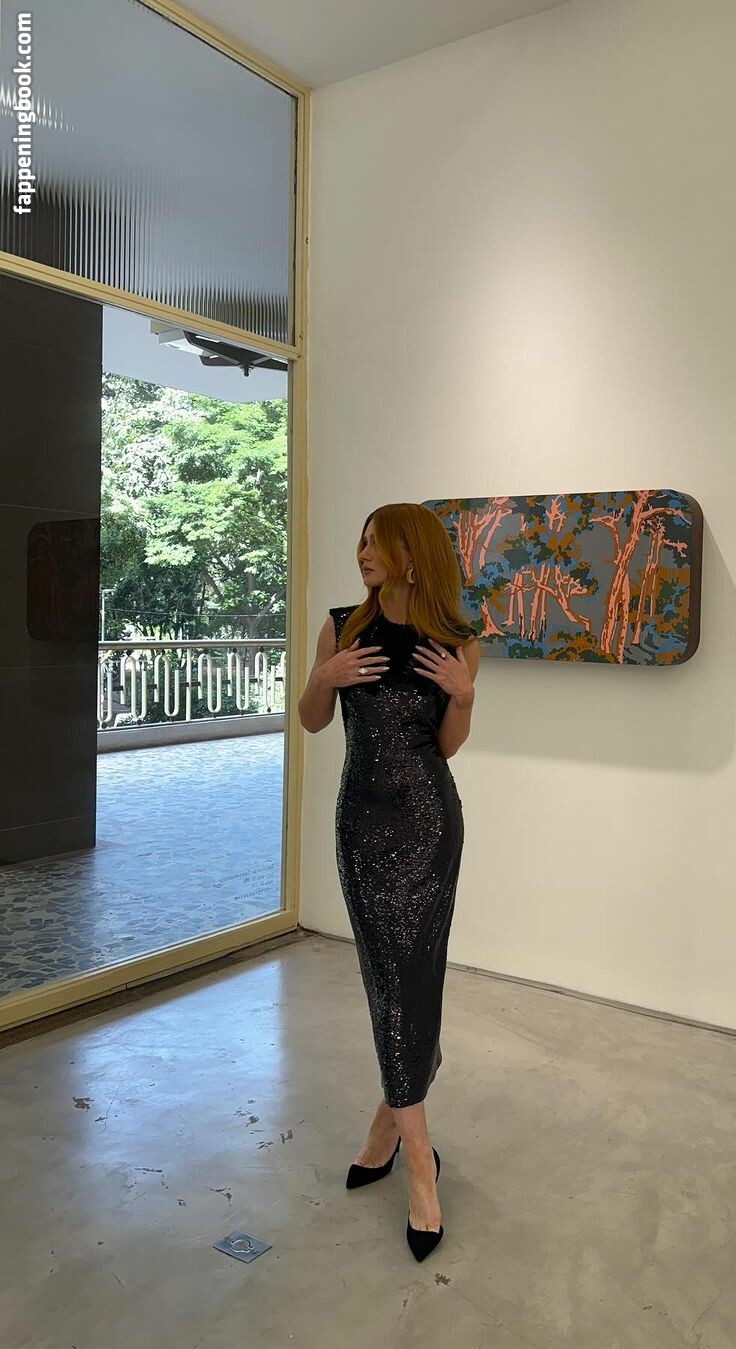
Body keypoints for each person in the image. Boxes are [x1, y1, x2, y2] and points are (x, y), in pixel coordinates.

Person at [297, 502, 480, 1261]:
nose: (363, 551)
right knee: (389, 977)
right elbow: (311, 720)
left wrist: (463, 696)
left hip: (429, 825)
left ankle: (406, 1150)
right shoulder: (342, 628)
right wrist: (323, 677)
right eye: (361, 539)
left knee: (416, 976)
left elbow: (448, 745)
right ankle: (409, 1143)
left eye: (376, 541)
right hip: (362, 826)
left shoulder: (458, 639)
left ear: (413, 552)